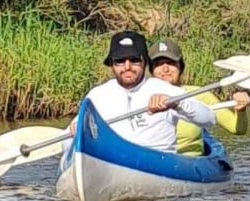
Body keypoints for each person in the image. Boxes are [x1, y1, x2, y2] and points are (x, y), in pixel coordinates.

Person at [83, 30, 215, 152]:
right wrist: (77, 131)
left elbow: (209, 119)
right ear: (112, 64)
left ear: (145, 62)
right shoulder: (97, 95)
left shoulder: (165, 89)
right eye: (120, 61)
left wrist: (177, 104)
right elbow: (69, 140)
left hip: (160, 166)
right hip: (112, 161)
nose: (127, 66)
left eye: (134, 60)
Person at [147, 38, 249, 156]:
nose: (165, 69)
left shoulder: (200, 95)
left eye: (170, 63)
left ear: (180, 67)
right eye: (158, 64)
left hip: (191, 163)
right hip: (153, 160)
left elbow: (237, 129)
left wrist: (241, 109)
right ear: (151, 70)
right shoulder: (139, 97)